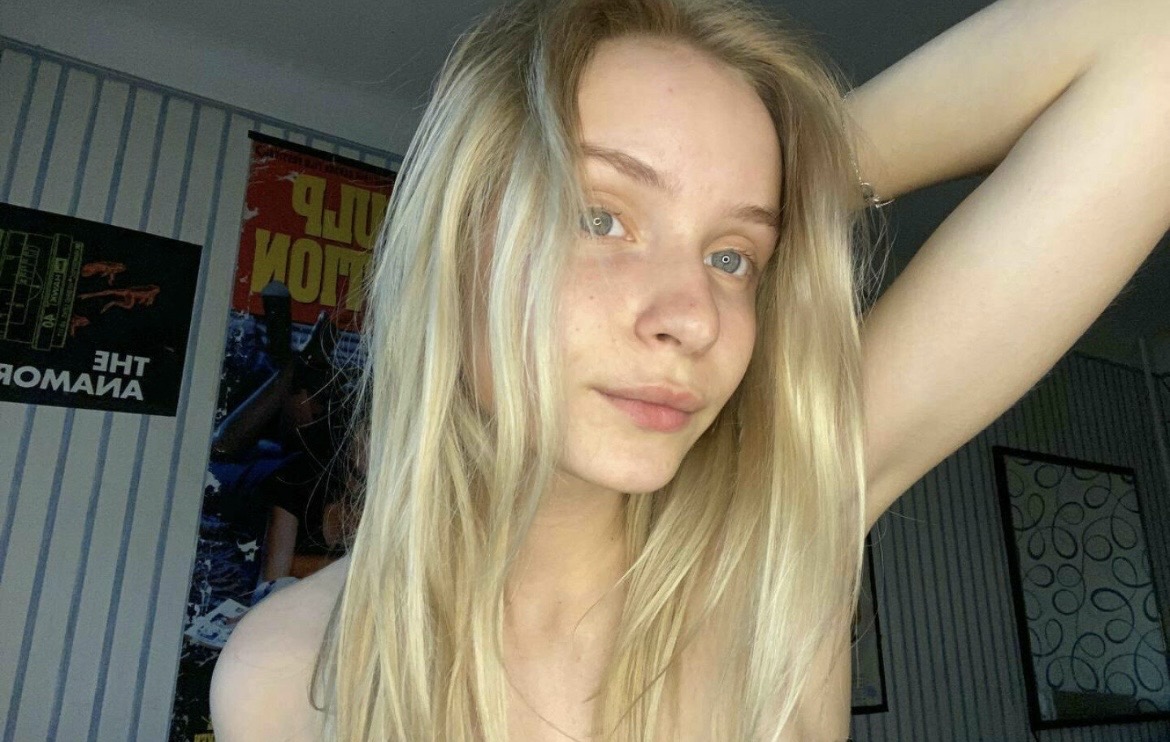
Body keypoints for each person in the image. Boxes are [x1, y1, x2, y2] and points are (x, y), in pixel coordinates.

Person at [208, 0, 1170, 739]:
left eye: (732, 257)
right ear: (458, 239)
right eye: (601, 217)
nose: (695, 317)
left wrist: (796, 180)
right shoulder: (293, 671)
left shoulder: (772, 543)